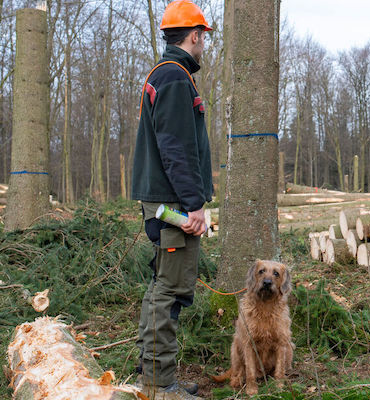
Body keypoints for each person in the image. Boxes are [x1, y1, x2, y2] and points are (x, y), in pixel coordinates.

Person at [131, 1, 213, 398]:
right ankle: (161, 386)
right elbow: (176, 149)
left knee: (159, 288)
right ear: (194, 35)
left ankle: (151, 377)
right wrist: (194, 205)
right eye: (203, 38)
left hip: (164, 203)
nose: (203, 46)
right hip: (172, 206)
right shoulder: (176, 78)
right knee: (170, 293)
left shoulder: (163, 75)